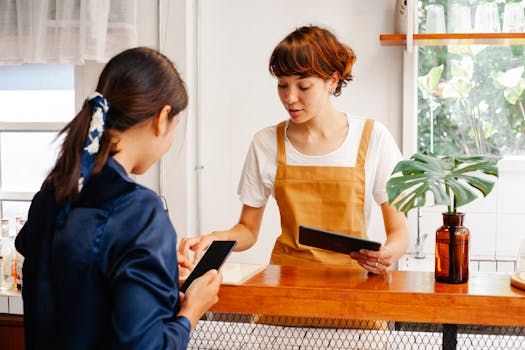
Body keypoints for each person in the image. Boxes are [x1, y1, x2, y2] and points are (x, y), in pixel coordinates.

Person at [15, 47, 222, 350]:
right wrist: (191, 311)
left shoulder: (53, 192)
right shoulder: (140, 212)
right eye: (175, 127)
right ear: (162, 119)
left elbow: (79, 282)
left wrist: (156, 267)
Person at [179, 25, 408, 274]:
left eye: (303, 86)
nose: (290, 97)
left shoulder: (373, 137)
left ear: (332, 81)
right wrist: (214, 238)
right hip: (287, 284)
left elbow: (399, 232)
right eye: (282, 85)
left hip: (351, 286)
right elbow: (247, 229)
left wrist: (388, 253)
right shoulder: (265, 142)